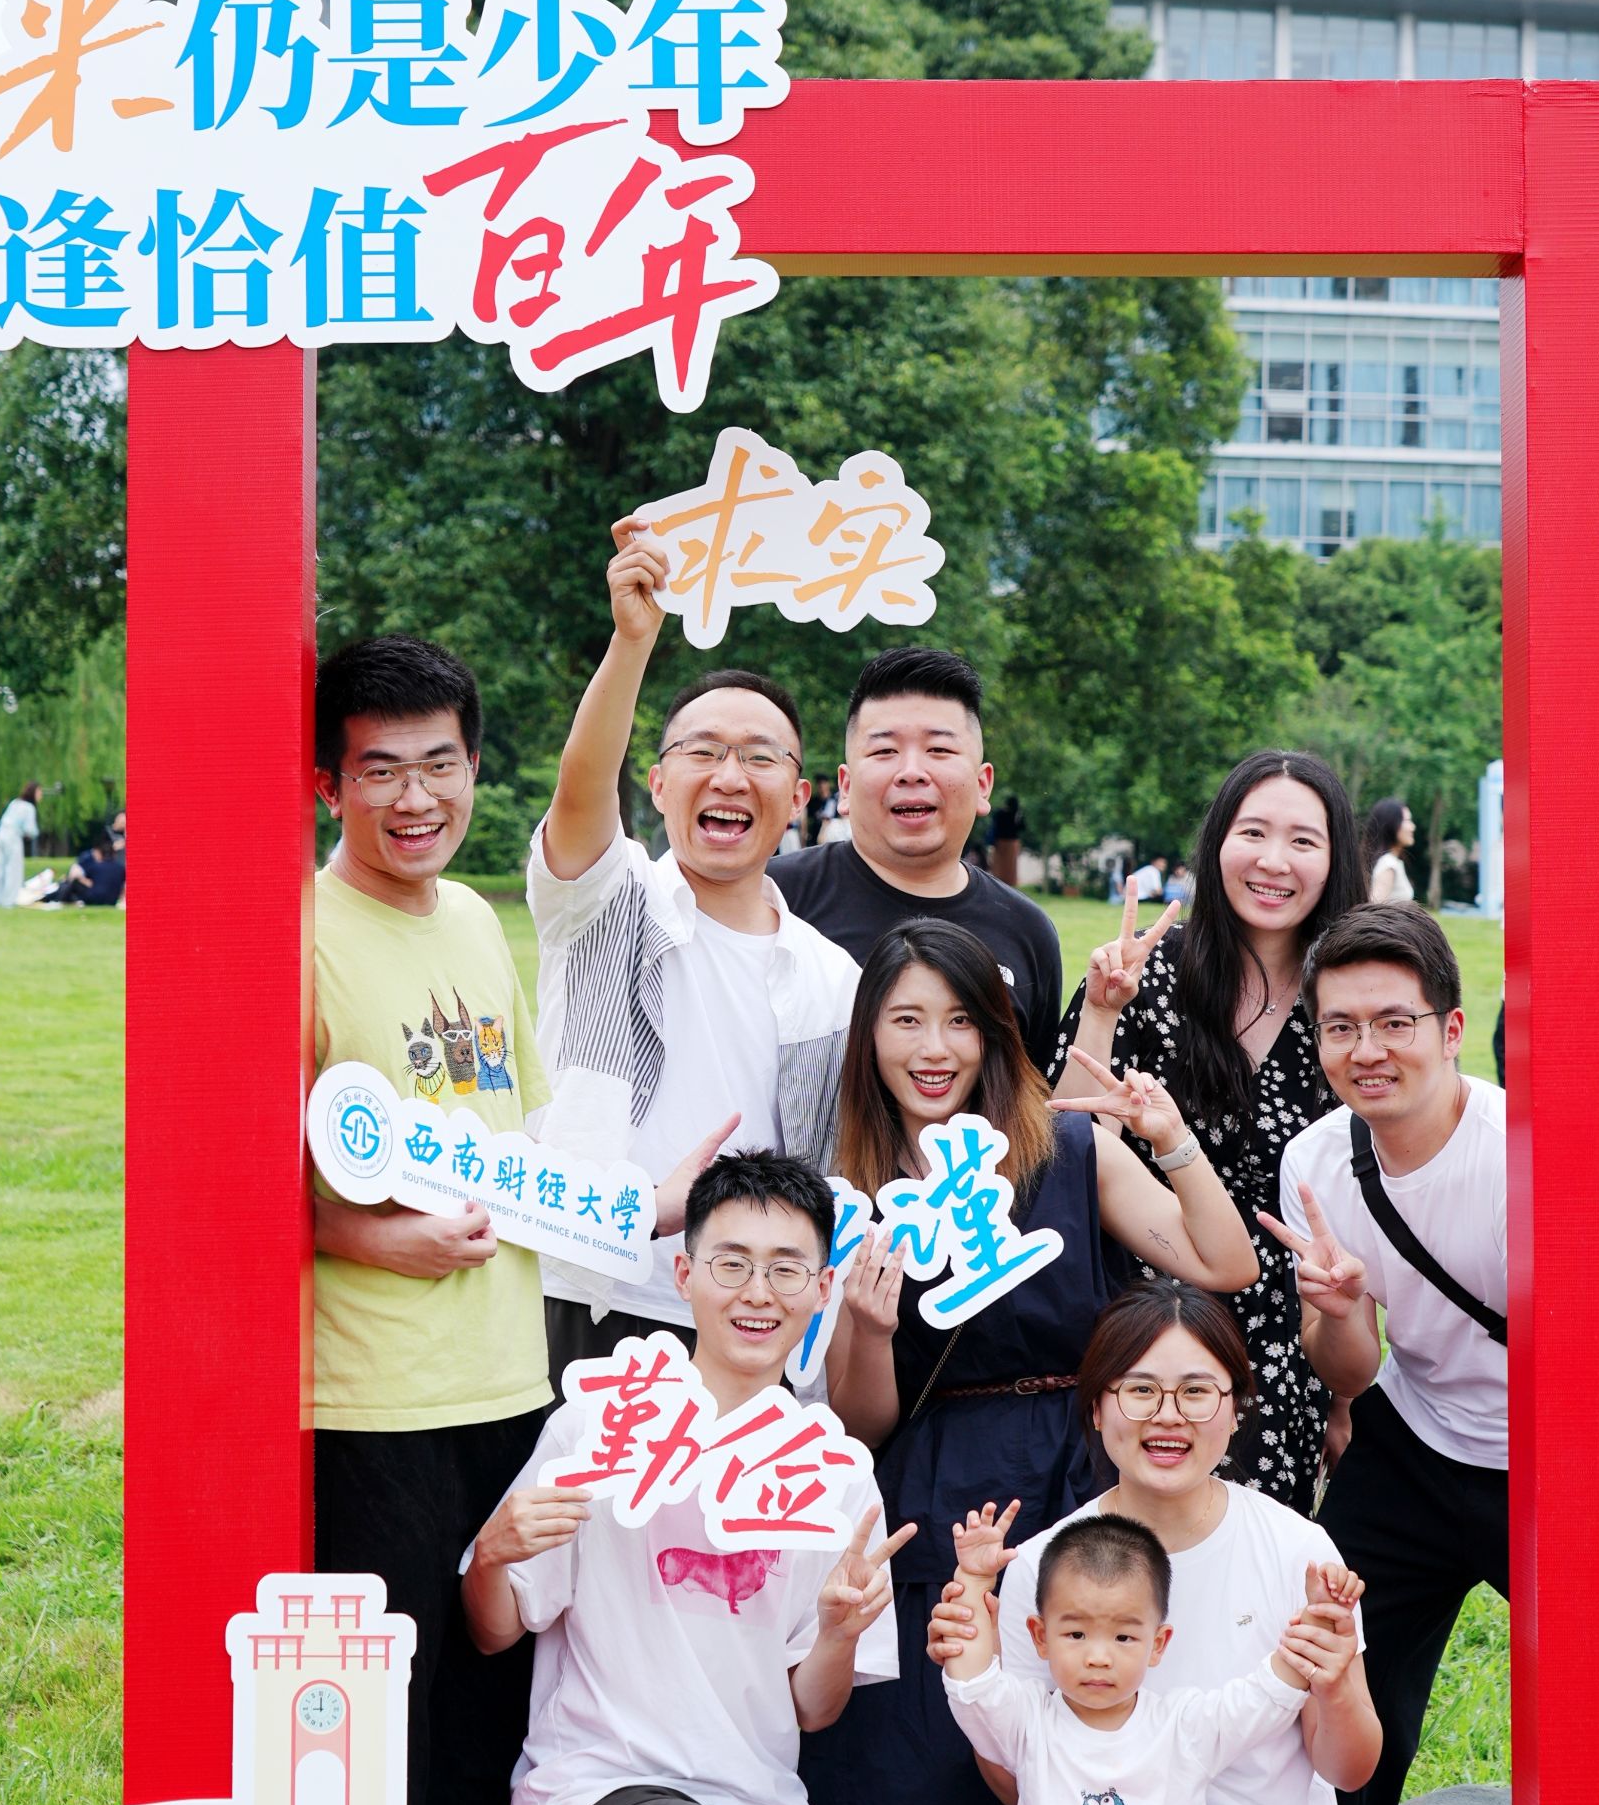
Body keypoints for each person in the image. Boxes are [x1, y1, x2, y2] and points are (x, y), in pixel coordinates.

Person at [799, 918, 1259, 1805]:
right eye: (906, 1021)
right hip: (938, 1489)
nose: (934, 1049)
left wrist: (1171, 1139)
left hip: (1081, 1473)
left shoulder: (1068, 1150)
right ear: (868, 1036)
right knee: (926, 1763)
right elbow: (862, 1423)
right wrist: (871, 1334)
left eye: (961, 1020)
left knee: (1091, 1731)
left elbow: (1225, 1263)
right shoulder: (854, 1191)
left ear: (996, 1032)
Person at [464, 1151, 911, 1805]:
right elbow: (493, 1631)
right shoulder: (598, 1427)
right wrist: (490, 1554)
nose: (757, 1293)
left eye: (786, 1270)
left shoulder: (836, 1473)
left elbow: (813, 1709)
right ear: (683, 1274)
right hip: (602, 1792)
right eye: (731, 1265)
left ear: (823, 1287)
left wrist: (838, 1633)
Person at [931, 1285, 1430, 1805]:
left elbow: (1349, 1771)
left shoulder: (1297, 1548)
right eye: (1140, 1390)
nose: (1168, 1416)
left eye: (1196, 1392)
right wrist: (974, 1664)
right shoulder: (1041, 1565)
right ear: (1096, 1408)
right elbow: (1012, 1770)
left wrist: (1335, 1686)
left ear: (1235, 1408)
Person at [308, 636, 555, 1805]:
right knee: (386, 1716)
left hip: (510, 1377)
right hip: (377, 1397)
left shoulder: (470, 917)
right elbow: (228, 1187)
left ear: (473, 768)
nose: (415, 799)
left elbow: (523, 1129)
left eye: (439, 764)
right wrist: (368, 1241)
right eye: (380, 770)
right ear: (329, 785)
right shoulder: (300, 934)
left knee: (495, 1707)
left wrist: (646, 1204)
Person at [528, 519, 857, 1375]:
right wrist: (632, 641)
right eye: (702, 752)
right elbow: (580, 789)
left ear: (800, 797)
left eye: (760, 758)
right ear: (657, 783)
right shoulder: (607, 900)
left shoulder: (832, 978)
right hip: (589, 1292)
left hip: (749, 1324)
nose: (729, 775)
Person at [1057, 748, 1367, 1508]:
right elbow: (1066, 1146)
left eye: (1303, 840)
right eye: (1252, 832)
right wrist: (1100, 1010)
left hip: (1283, 1349)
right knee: (1126, 1563)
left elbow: (1356, 1206)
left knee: (1252, 1564)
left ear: (1335, 861)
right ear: (1217, 842)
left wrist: (1344, 1396)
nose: (1273, 861)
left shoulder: (1347, 1002)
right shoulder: (1150, 972)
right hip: (1139, 1335)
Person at [1263, 904, 1506, 1805]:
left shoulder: (1516, 1151)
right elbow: (1354, 1371)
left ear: (1450, 1030)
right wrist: (1335, 1310)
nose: (1367, 1050)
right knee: (1340, 1657)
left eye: (1394, 1022)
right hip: (1416, 1440)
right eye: (1340, 1027)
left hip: (1545, 1455)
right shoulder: (1317, 1161)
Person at [939, 1506, 1330, 1805]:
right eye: (1076, 1635)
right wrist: (973, 1581)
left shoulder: (1182, 1725)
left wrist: (1318, 1620)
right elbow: (973, 1685)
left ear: (1157, 1644)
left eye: (1123, 1637)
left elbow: (1263, 1699)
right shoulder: (1027, 1721)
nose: (1098, 1657)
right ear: (1041, 1637)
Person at [769, 646, 1063, 1070]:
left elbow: (1037, 1099)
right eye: (884, 751)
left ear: (983, 785)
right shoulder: (774, 898)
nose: (911, 771)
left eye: (939, 750)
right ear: (845, 788)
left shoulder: (1028, 931)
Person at [48, 814, 126, 906]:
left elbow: (87, 881)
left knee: (73, 883)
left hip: (95, 897)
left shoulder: (95, 865)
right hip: (111, 900)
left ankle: (57, 899)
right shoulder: (120, 867)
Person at [0, 783, 42, 906]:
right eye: (39, 792)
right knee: (13, 870)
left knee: (0, 868)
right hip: (13, 837)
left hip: (1, 834)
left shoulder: (15, 803)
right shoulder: (29, 807)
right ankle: (8, 902)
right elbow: (30, 829)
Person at [1364, 798, 1417, 906]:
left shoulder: (1392, 862)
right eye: (1407, 821)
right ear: (1391, 823)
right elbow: (1375, 910)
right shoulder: (1388, 864)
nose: (1413, 827)